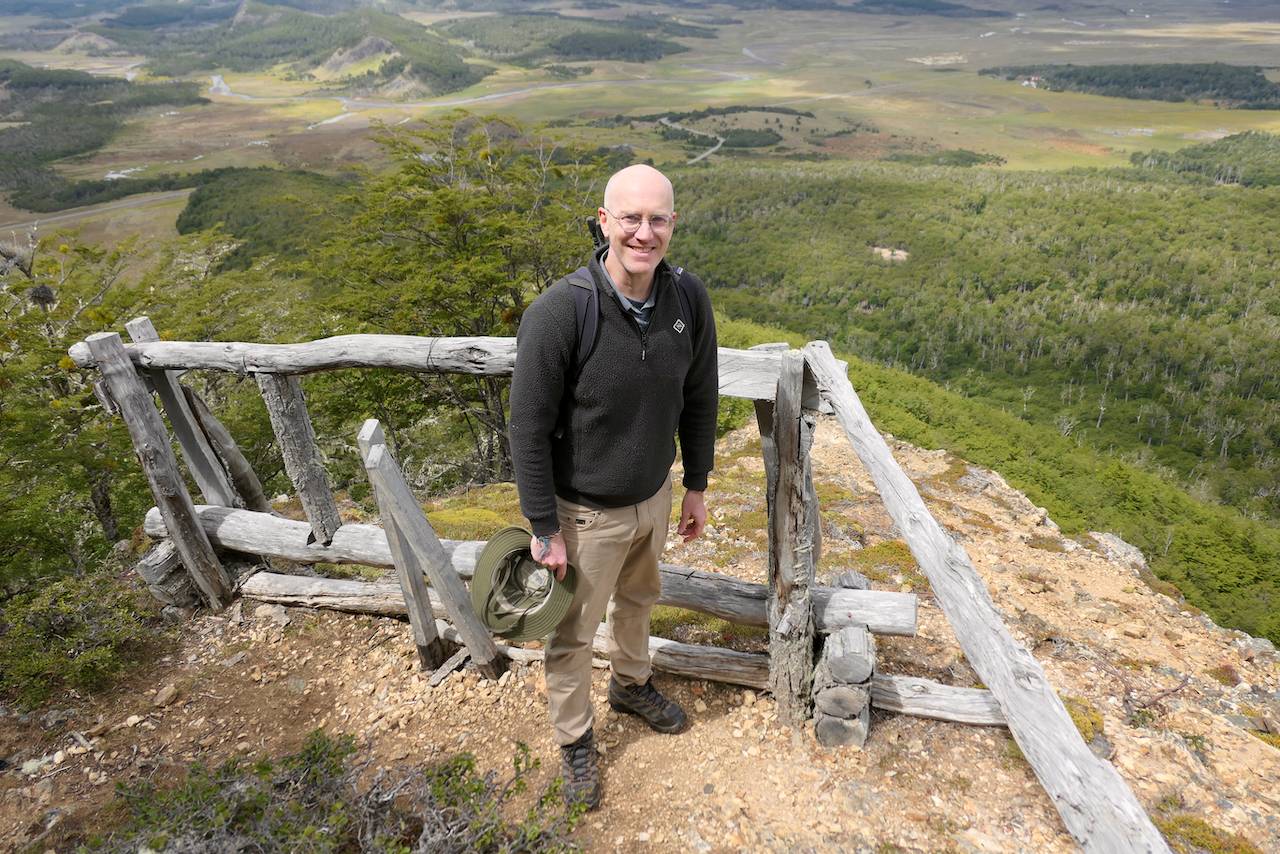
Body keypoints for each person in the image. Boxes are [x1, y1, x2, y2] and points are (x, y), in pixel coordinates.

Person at [508, 164, 718, 809]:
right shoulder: (562, 311)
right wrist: (545, 528)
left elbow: (699, 395)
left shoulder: (687, 298)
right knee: (572, 633)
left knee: (639, 602)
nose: (644, 232)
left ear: (673, 225)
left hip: (654, 496)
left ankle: (630, 684)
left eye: (657, 219)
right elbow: (528, 428)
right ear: (604, 222)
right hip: (583, 513)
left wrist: (696, 484)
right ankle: (575, 741)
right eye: (631, 217)